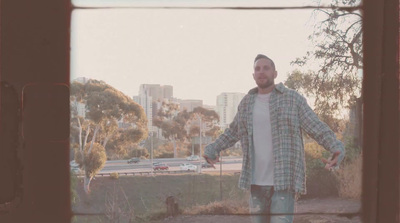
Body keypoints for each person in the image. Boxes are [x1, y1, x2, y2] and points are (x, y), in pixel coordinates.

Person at [203, 54, 345, 223]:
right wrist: (212, 149)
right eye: (257, 69)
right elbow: (232, 132)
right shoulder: (247, 103)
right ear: (253, 75)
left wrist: (335, 147)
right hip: (256, 183)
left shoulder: (293, 99)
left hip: (283, 181)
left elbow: (316, 126)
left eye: (266, 68)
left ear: (275, 73)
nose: (261, 72)